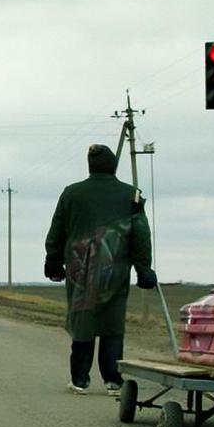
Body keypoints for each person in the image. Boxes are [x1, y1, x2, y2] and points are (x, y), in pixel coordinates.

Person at [44, 144, 156, 396]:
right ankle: (113, 381)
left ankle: (80, 380)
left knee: (83, 319)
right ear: (113, 165)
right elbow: (140, 234)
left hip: (79, 268)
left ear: (90, 165)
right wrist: (143, 268)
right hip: (115, 269)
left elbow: (57, 230)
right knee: (112, 323)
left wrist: (53, 261)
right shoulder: (131, 195)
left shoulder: (71, 193)